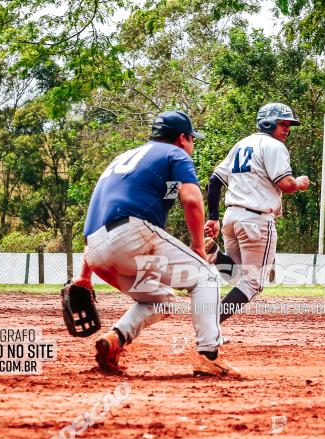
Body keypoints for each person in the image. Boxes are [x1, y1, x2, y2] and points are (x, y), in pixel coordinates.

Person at [75, 110, 240, 377]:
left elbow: (103, 215)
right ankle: (209, 355)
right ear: (182, 138)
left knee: (161, 299)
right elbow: (192, 200)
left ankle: (115, 339)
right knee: (206, 275)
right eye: (192, 139)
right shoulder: (175, 154)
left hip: (96, 250)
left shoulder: (124, 159)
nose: (192, 145)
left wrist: (84, 277)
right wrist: (198, 248)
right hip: (129, 234)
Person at [203, 102, 311, 322]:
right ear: (268, 122)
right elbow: (287, 184)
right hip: (256, 220)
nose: (288, 128)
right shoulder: (274, 146)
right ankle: (210, 326)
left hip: (232, 218)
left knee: (235, 275)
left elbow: (214, 181)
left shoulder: (242, 144)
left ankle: (214, 255)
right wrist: (300, 182)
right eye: (283, 123)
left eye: (289, 124)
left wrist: (213, 217)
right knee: (253, 283)